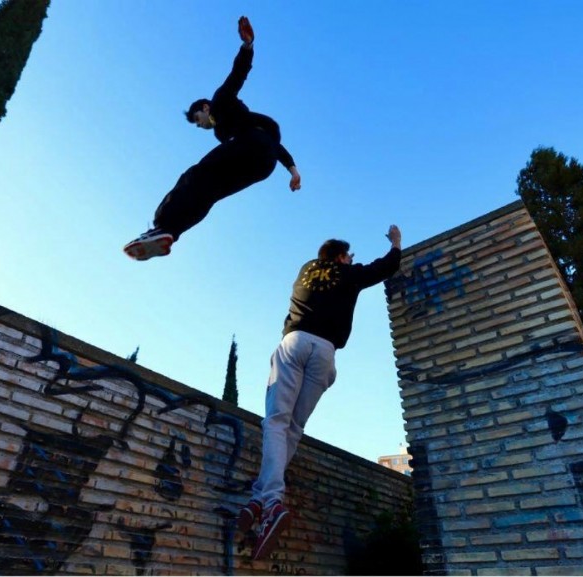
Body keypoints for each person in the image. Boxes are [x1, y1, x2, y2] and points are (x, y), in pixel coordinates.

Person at [240, 225, 403, 561]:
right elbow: (385, 267)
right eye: (348, 255)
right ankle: (264, 497)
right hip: (325, 351)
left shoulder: (305, 270)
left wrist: (340, 262)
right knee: (293, 427)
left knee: (276, 421)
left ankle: (266, 498)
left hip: (296, 342)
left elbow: (329, 270)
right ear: (342, 256)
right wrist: (396, 244)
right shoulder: (350, 273)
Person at [124, 16, 301, 261]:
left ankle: (162, 226)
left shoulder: (220, 101)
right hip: (264, 163)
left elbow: (237, 75)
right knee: (209, 193)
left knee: (194, 176)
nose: (200, 126)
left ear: (205, 107)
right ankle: (168, 234)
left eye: (197, 119)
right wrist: (293, 171)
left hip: (251, 146)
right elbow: (275, 146)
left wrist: (247, 46)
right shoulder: (226, 133)